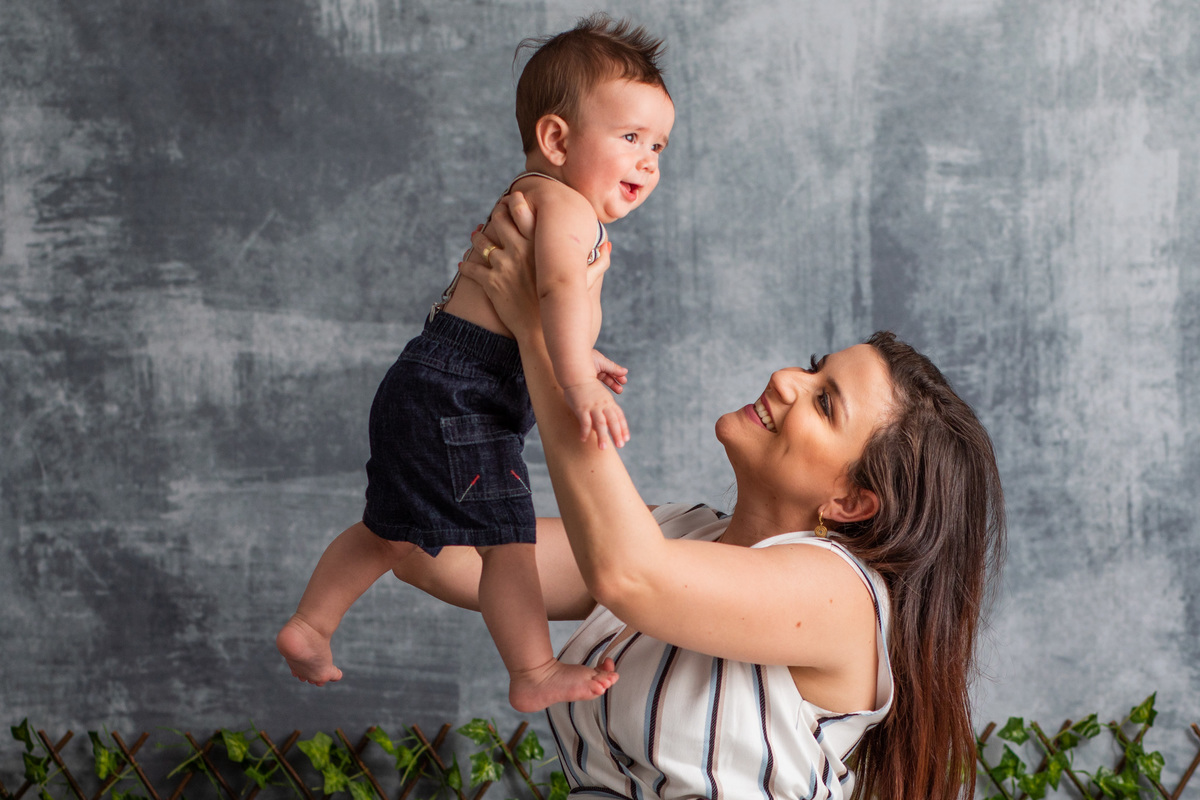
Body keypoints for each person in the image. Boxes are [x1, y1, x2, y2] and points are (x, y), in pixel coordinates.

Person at [390, 195, 1007, 800]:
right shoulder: (674, 531)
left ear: (851, 502)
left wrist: (545, 337)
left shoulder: (844, 596)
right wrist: (472, 343)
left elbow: (629, 576)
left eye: (824, 402)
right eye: (813, 367)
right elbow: (434, 554)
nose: (785, 379)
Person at [275, 14, 675, 714]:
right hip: (466, 396)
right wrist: (576, 379)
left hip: (427, 378)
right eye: (631, 138)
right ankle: (532, 670)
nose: (648, 161)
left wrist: (582, 350)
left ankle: (311, 623)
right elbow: (555, 291)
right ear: (557, 139)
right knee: (509, 542)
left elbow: (528, 307)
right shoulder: (568, 210)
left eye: (659, 146)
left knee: (391, 531)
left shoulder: (534, 198)